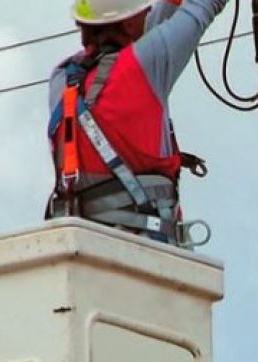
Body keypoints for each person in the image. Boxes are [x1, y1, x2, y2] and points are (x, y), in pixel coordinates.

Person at [45, 0, 228, 246]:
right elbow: (202, 6)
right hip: (146, 248)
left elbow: (146, 34)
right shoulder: (145, 64)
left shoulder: (63, 78)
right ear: (130, 23)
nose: (148, 14)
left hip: (83, 243)